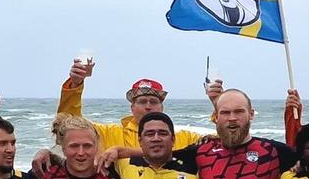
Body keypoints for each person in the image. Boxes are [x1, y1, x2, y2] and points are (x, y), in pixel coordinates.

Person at [53, 63, 213, 153]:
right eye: (142, 102)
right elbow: (67, 123)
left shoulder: (184, 138)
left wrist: (217, 100)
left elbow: (226, 138)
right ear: (132, 107)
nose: (148, 106)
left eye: (153, 101)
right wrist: (75, 84)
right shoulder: (109, 134)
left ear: (162, 107)